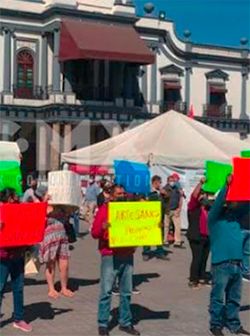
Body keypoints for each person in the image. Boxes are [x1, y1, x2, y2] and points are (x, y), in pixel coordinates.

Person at [91, 185, 140, 336]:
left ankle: (125, 322)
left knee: (126, 292)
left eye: (124, 193)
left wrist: (152, 227)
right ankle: (103, 323)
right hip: (110, 255)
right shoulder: (104, 210)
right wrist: (103, 227)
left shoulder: (130, 210)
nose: (122, 195)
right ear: (111, 196)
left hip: (127, 254)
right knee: (106, 291)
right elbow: (94, 232)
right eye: (119, 194)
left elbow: (138, 227)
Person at [208, 175, 250, 336]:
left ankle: (234, 324)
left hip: (236, 264)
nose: (235, 202)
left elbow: (246, 205)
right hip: (221, 264)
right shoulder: (215, 218)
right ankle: (216, 325)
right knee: (218, 298)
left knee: (234, 298)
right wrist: (227, 186)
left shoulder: (236, 218)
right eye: (231, 200)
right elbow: (218, 204)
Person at [0, 188, 32, 333]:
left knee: (18, 288)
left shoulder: (19, 211)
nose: (17, 199)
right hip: (3, 258)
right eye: (14, 198)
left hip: (18, 255)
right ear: (8, 199)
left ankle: (18, 319)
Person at [39, 202, 74, 299]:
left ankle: (64, 288)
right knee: (51, 264)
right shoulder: (43, 205)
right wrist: (45, 202)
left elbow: (71, 212)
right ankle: (51, 289)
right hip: (49, 237)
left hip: (62, 236)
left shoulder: (62, 205)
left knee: (65, 264)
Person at [187, 177, 210, 289]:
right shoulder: (193, 206)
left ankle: (202, 277)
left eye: (205, 195)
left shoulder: (208, 207)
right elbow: (194, 195)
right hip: (196, 235)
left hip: (207, 236)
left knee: (204, 258)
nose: (203, 196)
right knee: (197, 257)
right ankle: (193, 280)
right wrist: (200, 183)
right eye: (202, 194)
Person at [142, 175, 168, 261]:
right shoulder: (147, 191)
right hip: (149, 217)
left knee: (160, 234)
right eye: (159, 183)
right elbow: (141, 201)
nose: (160, 184)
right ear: (155, 182)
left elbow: (167, 200)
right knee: (147, 234)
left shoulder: (161, 192)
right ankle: (146, 252)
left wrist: (165, 194)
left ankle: (160, 252)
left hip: (160, 216)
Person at [163, 175, 184, 248]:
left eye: (173, 181)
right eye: (171, 181)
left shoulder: (177, 189)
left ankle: (177, 242)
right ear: (168, 181)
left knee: (177, 226)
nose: (172, 182)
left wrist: (179, 208)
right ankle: (165, 240)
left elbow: (181, 198)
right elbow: (162, 200)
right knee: (166, 226)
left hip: (175, 210)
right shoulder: (164, 189)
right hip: (167, 210)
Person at [240, 204, 250, 281]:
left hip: (248, 228)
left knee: (247, 252)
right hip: (241, 227)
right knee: (237, 250)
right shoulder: (241, 202)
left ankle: (245, 272)